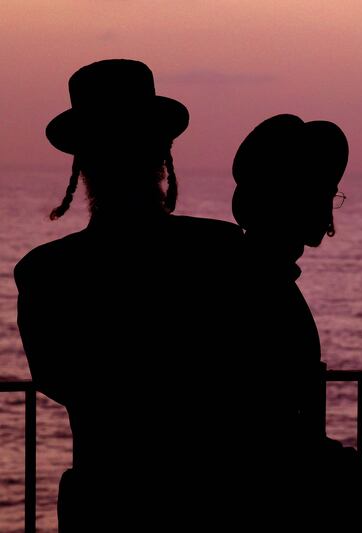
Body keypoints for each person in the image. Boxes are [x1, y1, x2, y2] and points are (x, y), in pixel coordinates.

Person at [15, 59, 251, 532]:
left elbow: (58, 379)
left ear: (82, 164)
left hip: (105, 501)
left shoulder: (45, 272)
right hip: (209, 499)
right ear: (161, 152)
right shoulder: (222, 251)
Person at [231, 114, 362, 532]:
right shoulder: (265, 291)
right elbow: (271, 439)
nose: (328, 205)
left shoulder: (260, 280)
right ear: (291, 198)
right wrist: (343, 470)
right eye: (323, 192)